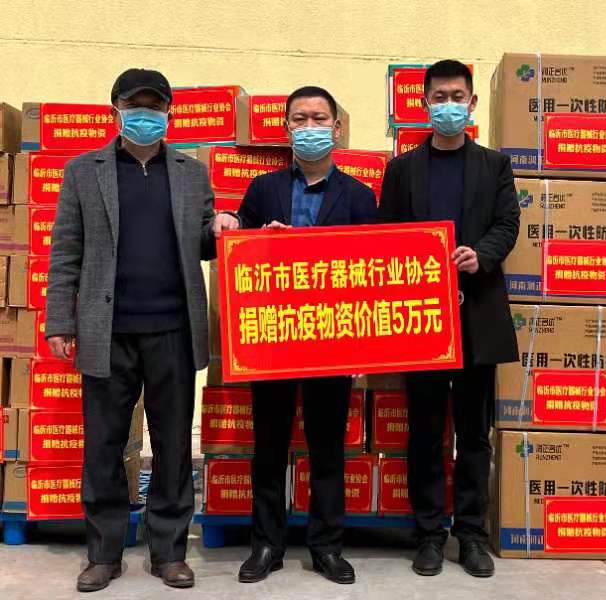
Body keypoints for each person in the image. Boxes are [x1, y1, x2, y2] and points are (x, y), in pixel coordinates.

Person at [46, 68, 226, 592]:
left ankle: (169, 551)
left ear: (169, 113)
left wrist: (221, 228)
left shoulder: (192, 174)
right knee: (103, 444)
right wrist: (61, 320)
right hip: (107, 330)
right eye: (135, 106)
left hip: (173, 328)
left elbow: (203, 242)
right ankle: (103, 553)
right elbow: (66, 251)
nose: (145, 115)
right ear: (115, 111)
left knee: (173, 443)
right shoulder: (84, 171)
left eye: (155, 107)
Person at [214, 86, 377, 585]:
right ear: (286, 128)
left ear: (337, 128)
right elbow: (239, 250)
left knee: (327, 447)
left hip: (331, 339)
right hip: (273, 338)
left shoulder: (359, 196)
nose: (309, 127)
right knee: (269, 445)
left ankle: (327, 546)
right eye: (299, 119)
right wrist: (238, 226)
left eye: (319, 118)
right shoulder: (262, 189)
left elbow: (371, 268)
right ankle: (266, 544)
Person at [378, 60, 520, 578]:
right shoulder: (402, 170)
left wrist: (481, 255)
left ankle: (472, 534)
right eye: (439, 97)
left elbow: (508, 223)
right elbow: (387, 235)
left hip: (477, 313)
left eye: (457, 96)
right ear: (424, 103)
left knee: (474, 433)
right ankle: (429, 534)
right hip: (423, 320)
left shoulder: (494, 165)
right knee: (424, 431)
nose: (448, 106)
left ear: (472, 103)